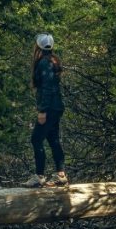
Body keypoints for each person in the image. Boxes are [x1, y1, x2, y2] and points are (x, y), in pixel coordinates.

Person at [22, 32, 68, 187]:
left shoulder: (43, 63)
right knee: (53, 138)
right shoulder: (53, 60)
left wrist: (42, 111)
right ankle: (60, 174)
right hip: (56, 107)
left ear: (38, 46)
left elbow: (47, 88)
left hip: (50, 108)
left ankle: (39, 176)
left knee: (36, 139)